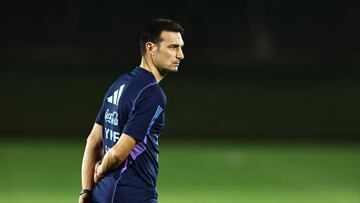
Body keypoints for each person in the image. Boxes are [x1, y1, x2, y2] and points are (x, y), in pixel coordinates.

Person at [78, 18, 185, 203]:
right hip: (131, 195)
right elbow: (120, 152)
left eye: (180, 47)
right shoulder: (152, 94)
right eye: (173, 47)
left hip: (103, 194)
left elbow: (93, 140)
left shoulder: (120, 83)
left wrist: (86, 191)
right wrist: (101, 168)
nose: (180, 55)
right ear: (151, 48)